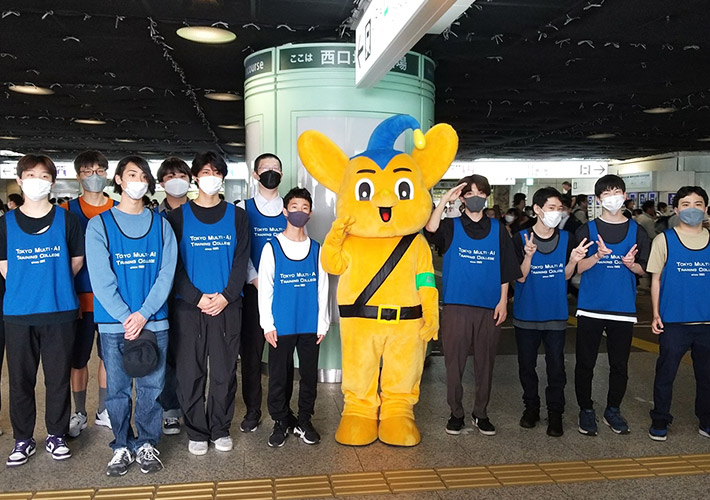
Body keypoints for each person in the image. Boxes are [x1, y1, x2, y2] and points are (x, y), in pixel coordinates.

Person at [86, 155, 177, 476]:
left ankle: (148, 442)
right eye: (132, 175)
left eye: (143, 176)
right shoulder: (99, 225)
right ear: (119, 180)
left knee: (152, 387)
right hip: (114, 324)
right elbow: (101, 279)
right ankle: (122, 445)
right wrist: (128, 316)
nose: (138, 181)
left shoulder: (161, 225)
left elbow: (166, 274)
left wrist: (144, 314)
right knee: (118, 390)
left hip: (155, 321)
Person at [2, 155, 84, 466]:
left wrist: (51, 281)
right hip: (19, 313)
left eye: (44, 176)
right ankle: (23, 439)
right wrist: (30, 285)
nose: (37, 181)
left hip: (59, 309)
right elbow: (4, 266)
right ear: (19, 181)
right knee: (20, 380)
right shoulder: (5, 224)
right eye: (30, 175)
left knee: (57, 378)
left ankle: (56, 434)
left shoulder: (68, 220)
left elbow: (76, 261)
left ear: (52, 182)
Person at [167, 151, 249, 456]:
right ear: (195, 177)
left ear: (223, 178)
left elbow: (241, 260)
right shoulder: (177, 218)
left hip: (228, 306)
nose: (211, 177)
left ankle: (220, 428)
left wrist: (226, 296)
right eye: (205, 172)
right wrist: (197, 297)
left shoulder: (237, 216)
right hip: (189, 308)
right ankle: (197, 431)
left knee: (224, 372)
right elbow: (173, 266)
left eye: (216, 172)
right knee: (190, 372)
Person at [425, 174, 521, 436]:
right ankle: (456, 413)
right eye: (470, 193)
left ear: (487, 196)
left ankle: (481, 413)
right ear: (462, 198)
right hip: (456, 306)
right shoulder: (451, 226)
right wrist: (445, 199)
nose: (476, 197)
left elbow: (505, 267)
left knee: (485, 363)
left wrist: (503, 301)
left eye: (480, 193)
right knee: (453, 364)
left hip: (489, 307)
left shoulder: (498, 229)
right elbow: (431, 229)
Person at [574, 174, 649, 436]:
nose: (612, 197)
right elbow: (576, 268)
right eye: (607, 193)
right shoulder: (586, 230)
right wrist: (596, 256)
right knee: (585, 363)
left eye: (617, 192)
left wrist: (632, 265)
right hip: (590, 307)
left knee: (619, 365)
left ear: (625, 195)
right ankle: (586, 409)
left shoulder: (638, 231)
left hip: (623, 309)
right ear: (598, 199)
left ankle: (613, 410)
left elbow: (644, 269)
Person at [512, 187, 592, 437]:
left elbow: (566, 275)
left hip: (555, 314)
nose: (556, 213)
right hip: (526, 315)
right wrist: (528, 256)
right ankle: (531, 408)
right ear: (537, 209)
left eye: (560, 209)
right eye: (551, 208)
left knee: (556, 367)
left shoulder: (567, 238)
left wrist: (573, 261)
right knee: (526, 366)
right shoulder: (520, 237)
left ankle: (555, 413)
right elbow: (520, 278)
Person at [258, 187, 329, 447]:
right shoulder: (272, 247)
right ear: (285, 211)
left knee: (309, 376)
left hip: (309, 324)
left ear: (310, 214)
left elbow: (323, 288)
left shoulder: (317, 249)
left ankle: (304, 421)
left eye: (305, 208)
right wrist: (267, 324)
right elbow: (265, 289)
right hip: (281, 325)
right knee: (279, 376)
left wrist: (323, 322)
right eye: (295, 207)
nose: (299, 211)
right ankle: (281, 420)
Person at [647, 186, 710, 441]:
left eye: (698, 204)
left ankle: (706, 420)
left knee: (707, 377)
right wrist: (655, 313)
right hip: (674, 322)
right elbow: (655, 280)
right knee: (666, 374)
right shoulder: (664, 240)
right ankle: (660, 419)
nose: (692, 209)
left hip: (707, 323)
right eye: (685, 204)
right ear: (676, 210)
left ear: (706, 209)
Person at [61, 151, 116, 438]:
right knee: (78, 359)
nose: (94, 176)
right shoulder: (66, 211)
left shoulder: (118, 208)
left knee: (108, 358)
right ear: (78, 176)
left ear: (107, 174)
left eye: (99, 170)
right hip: (79, 300)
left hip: (111, 301)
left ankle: (104, 410)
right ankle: (79, 412)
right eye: (87, 171)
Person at [237, 153, 287, 433]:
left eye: (276, 168)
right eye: (265, 168)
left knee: (282, 354)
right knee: (252, 355)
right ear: (255, 174)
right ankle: (253, 410)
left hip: (285, 292)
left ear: (282, 174)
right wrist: (255, 279)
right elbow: (241, 250)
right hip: (252, 291)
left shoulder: (290, 208)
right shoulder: (242, 208)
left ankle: (281, 411)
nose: (271, 172)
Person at [155, 157, 193, 436]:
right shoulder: (154, 217)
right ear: (161, 182)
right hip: (164, 295)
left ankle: (192, 404)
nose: (176, 180)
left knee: (192, 355)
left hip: (195, 295)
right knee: (166, 355)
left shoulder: (199, 213)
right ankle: (170, 410)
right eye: (170, 176)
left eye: (181, 175)